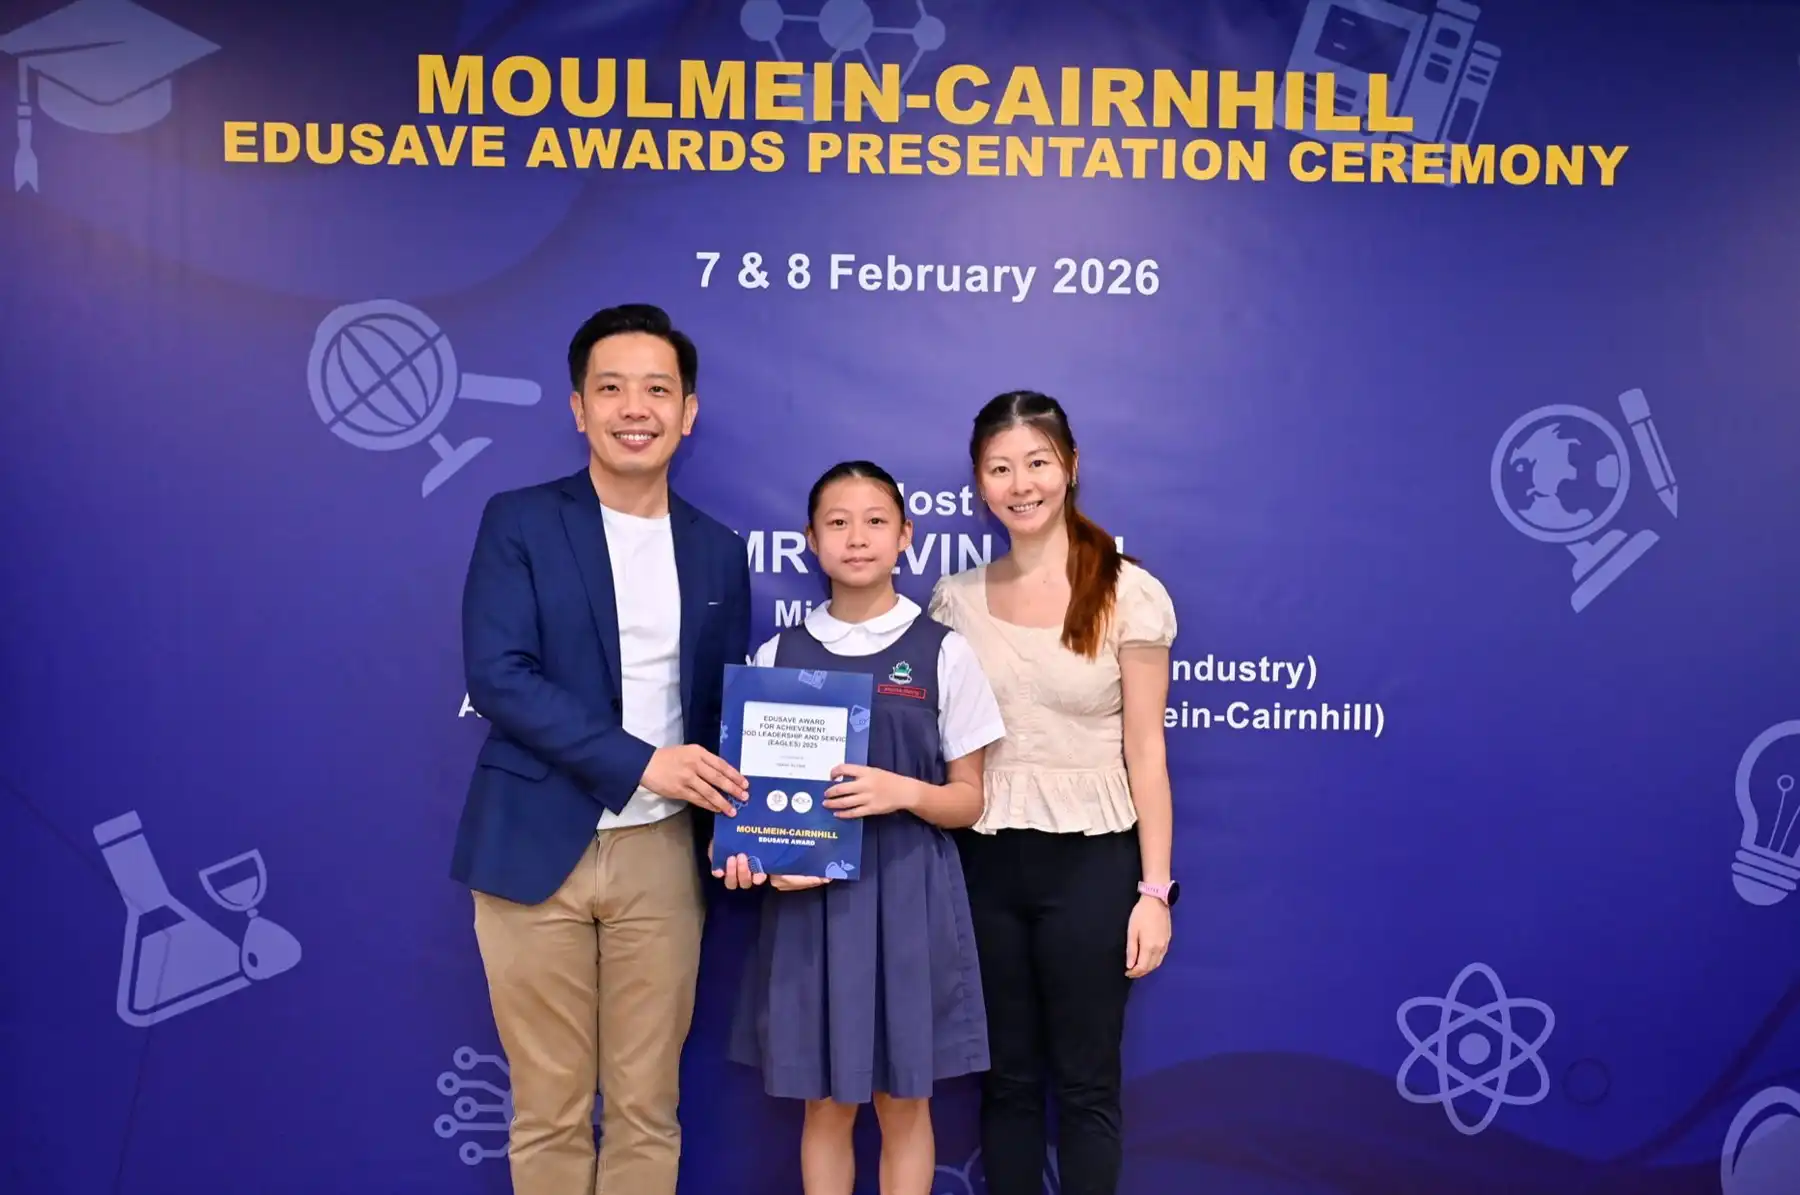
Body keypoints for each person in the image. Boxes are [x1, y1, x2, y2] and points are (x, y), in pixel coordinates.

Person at [452, 303, 752, 1195]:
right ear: (578, 407)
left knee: (647, 1108)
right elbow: (499, 676)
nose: (635, 408)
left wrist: (751, 831)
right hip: (530, 841)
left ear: (687, 411)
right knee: (547, 1110)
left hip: (663, 852)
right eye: (611, 387)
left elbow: (722, 708)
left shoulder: (718, 550)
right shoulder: (519, 520)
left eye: (657, 389)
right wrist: (642, 761)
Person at [716, 460, 1007, 1195]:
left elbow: (969, 802)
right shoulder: (777, 656)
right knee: (825, 1100)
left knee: (904, 1100)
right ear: (811, 539)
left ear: (905, 536)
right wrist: (763, 861)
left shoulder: (943, 650)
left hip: (908, 898)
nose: (856, 538)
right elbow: (751, 806)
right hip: (810, 906)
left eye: (875, 521)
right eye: (837, 523)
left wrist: (901, 791)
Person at [928, 391, 1179, 1195]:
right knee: (1003, 1082)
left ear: (1070, 467)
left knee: (1086, 1084)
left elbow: (1147, 750)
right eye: (1000, 468)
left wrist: (1154, 892)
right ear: (979, 483)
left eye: (1037, 462)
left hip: (1095, 867)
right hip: (984, 865)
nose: (1021, 483)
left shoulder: (1129, 592)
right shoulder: (955, 601)